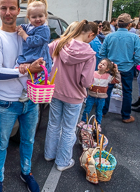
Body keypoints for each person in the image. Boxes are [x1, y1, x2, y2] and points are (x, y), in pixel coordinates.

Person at [0, 0, 44, 192]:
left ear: (19, 10)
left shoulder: (28, 34)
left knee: (28, 140)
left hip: (31, 100)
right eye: (4, 7)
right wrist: (27, 70)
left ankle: (26, 172)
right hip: (7, 103)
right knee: (2, 143)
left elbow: (43, 53)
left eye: (12, 8)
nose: (8, 12)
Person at [44, 20, 97, 172]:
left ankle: (49, 154)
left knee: (53, 124)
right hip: (74, 97)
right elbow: (86, 82)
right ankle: (63, 161)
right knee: (68, 129)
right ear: (90, 34)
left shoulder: (59, 43)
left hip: (55, 92)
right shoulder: (89, 54)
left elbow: (44, 54)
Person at [100, 13, 140, 123]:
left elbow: (102, 52)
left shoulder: (109, 36)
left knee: (107, 89)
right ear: (129, 25)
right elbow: (138, 55)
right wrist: (135, 63)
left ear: (118, 24)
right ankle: (126, 116)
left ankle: (103, 112)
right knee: (127, 91)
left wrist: (108, 63)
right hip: (127, 67)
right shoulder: (134, 37)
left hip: (111, 67)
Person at [77, 58, 120, 131]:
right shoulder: (93, 73)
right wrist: (89, 85)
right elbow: (88, 81)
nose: (101, 65)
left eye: (104, 64)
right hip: (91, 96)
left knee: (99, 111)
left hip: (101, 97)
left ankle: (98, 124)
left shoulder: (108, 77)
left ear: (107, 69)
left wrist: (116, 71)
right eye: (101, 63)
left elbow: (117, 80)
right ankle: (83, 121)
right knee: (87, 109)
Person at [17, 0, 52, 74]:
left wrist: (24, 35)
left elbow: (35, 41)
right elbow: (25, 27)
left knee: (39, 81)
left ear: (45, 16)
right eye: (34, 17)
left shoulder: (44, 29)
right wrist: (19, 28)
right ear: (29, 18)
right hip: (31, 57)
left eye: (40, 16)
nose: (37, 19)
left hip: (39, 59)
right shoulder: (30, 26)